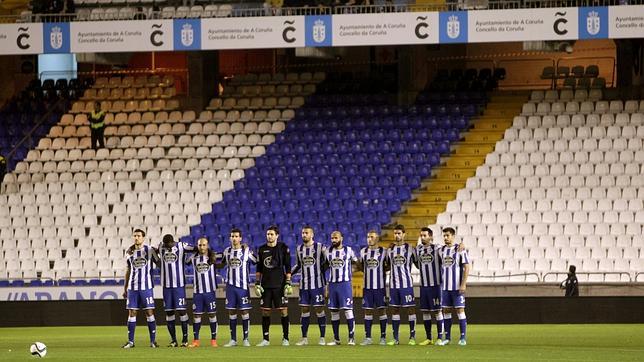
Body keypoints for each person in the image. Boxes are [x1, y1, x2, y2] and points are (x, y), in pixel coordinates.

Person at [255, 225, 293, 347]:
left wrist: (288, 282)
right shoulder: (261, 249)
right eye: (268, 234)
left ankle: (286, 338)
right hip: (265, 285)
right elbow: (259, 268)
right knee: (265, 312)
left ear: (277, 235)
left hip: (280, 285)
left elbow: (288, 266)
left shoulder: (283, 248)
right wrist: (257, 283)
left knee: (284, 311)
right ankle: (266, 339)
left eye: (271, 234)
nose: (269, 236)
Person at [122, 229, 159, 348]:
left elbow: (159, 263)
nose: (136, 238)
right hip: (133, 288)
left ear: (143, 237)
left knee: (149, 312)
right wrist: (125, 287)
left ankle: (153, 341)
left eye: (139, 236)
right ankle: (130, 342)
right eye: (135, 236)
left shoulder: (150, 250)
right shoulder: (129, 252)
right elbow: (128, 270)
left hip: (146, 287)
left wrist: (158, 251)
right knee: (132, 312)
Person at [155, 234, 194, 347]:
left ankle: (185, 339)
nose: (167, 247)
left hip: (179, 286)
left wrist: (189, 260)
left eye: (169, 245)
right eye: (165, 245)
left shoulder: (182, 246)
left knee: (182, 311)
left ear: (173, 242)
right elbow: (152, 250)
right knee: (169, 312)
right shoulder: (161, 246)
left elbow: (197, 249)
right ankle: (173, 340)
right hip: (166, 287)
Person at [292, 225, 328, 346]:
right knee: (304, 310)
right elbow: (297, 266)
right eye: (303, 233)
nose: (304, 235)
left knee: (319, 309)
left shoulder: (320, 247)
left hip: (317, 285)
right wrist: (287, 275)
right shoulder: (299, 249)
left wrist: (322, 273)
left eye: (306, 233)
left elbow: (328, 261)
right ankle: (304, 338)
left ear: (312, 234)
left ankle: (322, 337)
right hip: (304, 286)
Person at [220, 228, 256, 347]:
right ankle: (233, 339)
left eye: (236, 236)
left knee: (244, 311)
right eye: (232, 236)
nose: (234, 238)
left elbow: (256, 261)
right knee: (232, 311)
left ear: (240, 238)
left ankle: (246, 338)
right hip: (230, 287)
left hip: (243, 287)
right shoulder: (227, 251)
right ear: (230, 238)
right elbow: (222, 263)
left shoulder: (246, 251)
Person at [387, 224, 418, 345]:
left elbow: (418, 264)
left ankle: (412, 337)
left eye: (399, 233)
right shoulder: (390, 249)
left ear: (404, 234)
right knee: (395, 310)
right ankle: (395, 338)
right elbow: (386, 265)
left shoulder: (410, 249)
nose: (397, 235)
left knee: (411, 309)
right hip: (394, 285)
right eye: (395, 233)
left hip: (406, 285)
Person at [326, 230, 358, 346]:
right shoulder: (328, 251)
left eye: (336, 238)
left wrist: (352, 271)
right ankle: (336, 339)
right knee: (334, 312)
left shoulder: (348, 250)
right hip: (333, 284)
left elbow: (356, 263)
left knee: (348, 311)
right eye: (332, 238)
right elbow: (324, 265)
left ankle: (351, 338)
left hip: (345, 284)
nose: (334, 240)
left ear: (341, 238)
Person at [357, 230, 389, 346]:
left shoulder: (384, 251)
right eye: (367, 237)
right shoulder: (363, 251)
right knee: (368, 311)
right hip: (367, 287)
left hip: (380, 287)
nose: (369, 239)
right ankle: (368, 337)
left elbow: (388, 265)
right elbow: (360, 266)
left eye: (371, 237)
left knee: (382, 310)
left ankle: (383, 337)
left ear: (377, 239)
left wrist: (382, 272)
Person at [187, 237, 220, 348]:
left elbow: (227, 255)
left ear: (207, 245)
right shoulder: (193, 258)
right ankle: (196, 340)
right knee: (196, 316)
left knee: (212, 315)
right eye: (200, 245)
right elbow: (184, 261)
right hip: (197, 292)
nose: (202, 247)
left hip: (210, 292)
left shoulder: (213, 256)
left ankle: (214, 340)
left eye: (204, 245)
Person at [440, 227, 470, 346]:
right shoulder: (441, 250)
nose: (446, 238)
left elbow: (467, 267)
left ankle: (463, 338)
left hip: (457, 287)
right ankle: (447, 337)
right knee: (446, 311)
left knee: (460, 310)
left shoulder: (460, 249)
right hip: (445, 288)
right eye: (444, 236)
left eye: (448, 235)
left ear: (453, 236)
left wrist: (463, 284)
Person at [416, 227, 446, 346]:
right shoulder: (418, 249)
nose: (422, 238)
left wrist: (460, 245)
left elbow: (449, 250)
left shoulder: (437, 248)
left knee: (437, 311)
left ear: (431, 237)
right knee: (425, 312)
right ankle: (429, 338)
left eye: (425, 235)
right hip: (424, 286)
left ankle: (439, 337)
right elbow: (417, 263)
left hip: (435, 285)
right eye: (421, 235)